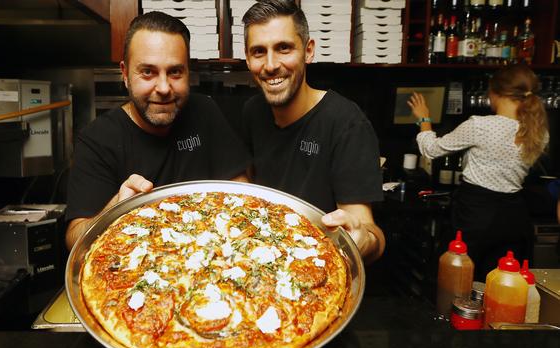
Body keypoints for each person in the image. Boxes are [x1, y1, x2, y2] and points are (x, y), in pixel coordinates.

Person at [65, 11, 249, 250]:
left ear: (187, 73)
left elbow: (241, 186)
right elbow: (74, 240)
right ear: (125, 74)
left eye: (175, 72)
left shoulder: (205, 110)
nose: (163, 88)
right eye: (148, 72)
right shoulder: (97, 139)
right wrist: (115, 209)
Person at [240, 0, 386, 263]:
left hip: (316, 268)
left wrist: (362, 239)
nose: (271, 65)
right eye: (259, 52)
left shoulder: (346, 123)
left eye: (283, 48)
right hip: (260, 265)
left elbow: (371, 233)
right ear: (248, 58)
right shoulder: (251, 112)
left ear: (308, 51)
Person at [408, 64, 549, 280]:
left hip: (475, 215)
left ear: (495, 93)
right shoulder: (539, 132)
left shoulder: (480, 126)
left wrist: (424, 118)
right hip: (514, 218)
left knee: (457, 280)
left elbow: (431, 149)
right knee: (501, 284)